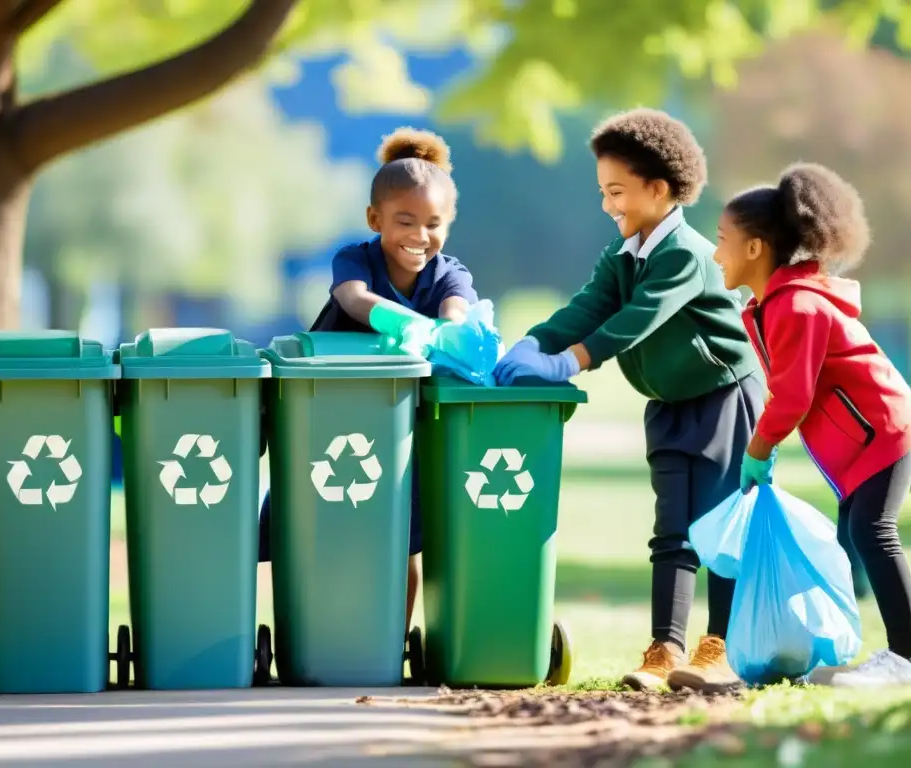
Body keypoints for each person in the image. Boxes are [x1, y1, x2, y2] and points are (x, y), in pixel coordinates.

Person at [493, 108, 765, 692]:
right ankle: (664, 647)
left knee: (720, 528)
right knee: (671, 528)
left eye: (616, 191)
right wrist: (533, 344)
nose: (606, 204)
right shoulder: (624, 255)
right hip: (667, 401)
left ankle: (719, 649)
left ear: (658, 189)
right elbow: (589, 307)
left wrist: (571, 363)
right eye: (602, 192)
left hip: (725, 398)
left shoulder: (686, 253)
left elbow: (637, 321)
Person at [258, 127, 478, 637]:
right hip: (327, 414)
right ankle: (314, 629)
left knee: (401, 533)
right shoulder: (355, 259)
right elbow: (355, 299)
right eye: (404, 221)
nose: (419, 235)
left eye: (433, 223)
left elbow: (457, 316)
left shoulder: (450, 274)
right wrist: (411, 326)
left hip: (405, 426)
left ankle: (389, 642)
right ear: (374, 219)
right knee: (318, 520)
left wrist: (451, 330)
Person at [714, 162, 911, 687]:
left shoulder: (796, 307)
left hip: (883, 431)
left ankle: (907, 658)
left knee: (873, 532)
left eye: (722, 240)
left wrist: (758, 450)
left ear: (754, 248)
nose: (716, 254)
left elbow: (793, 396)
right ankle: (882, 651)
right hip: (864, 438)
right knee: (857, 534)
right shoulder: (773, 305)